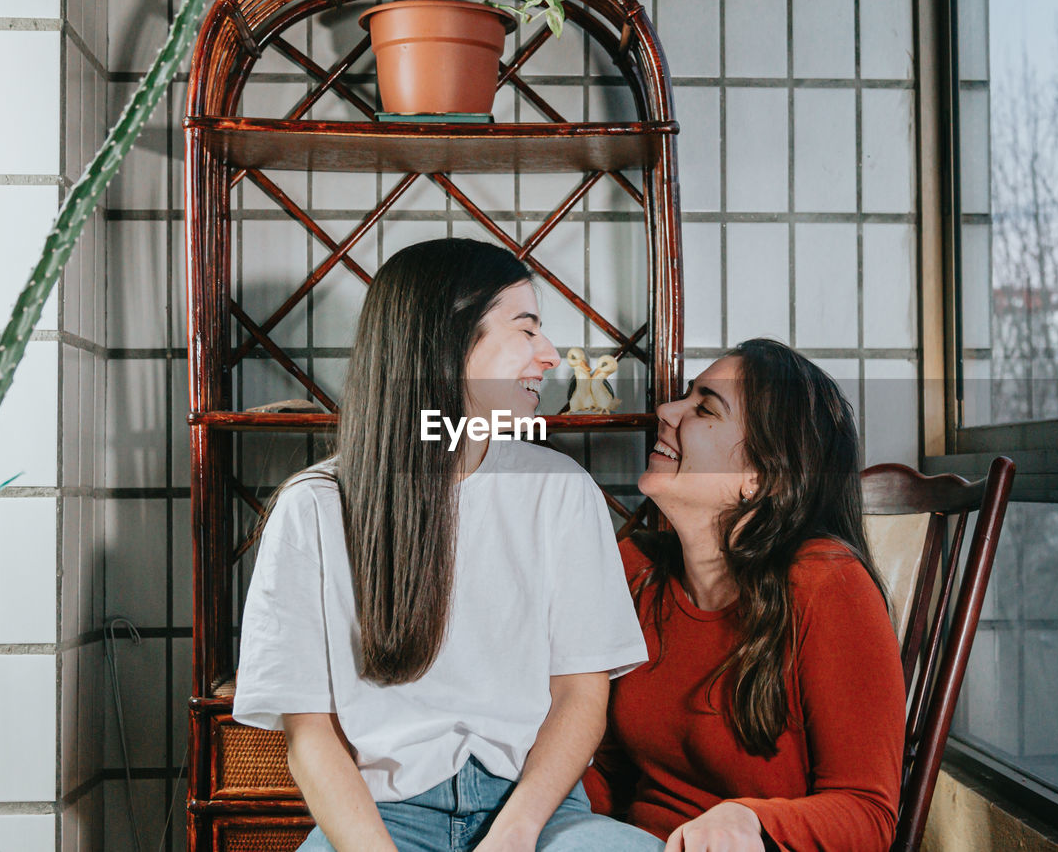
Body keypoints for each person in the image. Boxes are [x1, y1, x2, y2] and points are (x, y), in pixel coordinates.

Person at [232, 238, 661, 852]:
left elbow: (581, 693)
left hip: (539, 810)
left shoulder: (562, 491)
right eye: (526, 330)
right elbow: (310, 734)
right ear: (450, 343)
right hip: (381, 820)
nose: (548, 355)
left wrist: (516, 833)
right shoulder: (313, 507)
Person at [584, 339, 906, 852]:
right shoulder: (636, 569)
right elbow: (610, 770)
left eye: (704, 407)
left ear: (758, 477)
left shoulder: (829, 586)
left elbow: (868, 815)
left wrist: (747, 820)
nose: (666, 411)